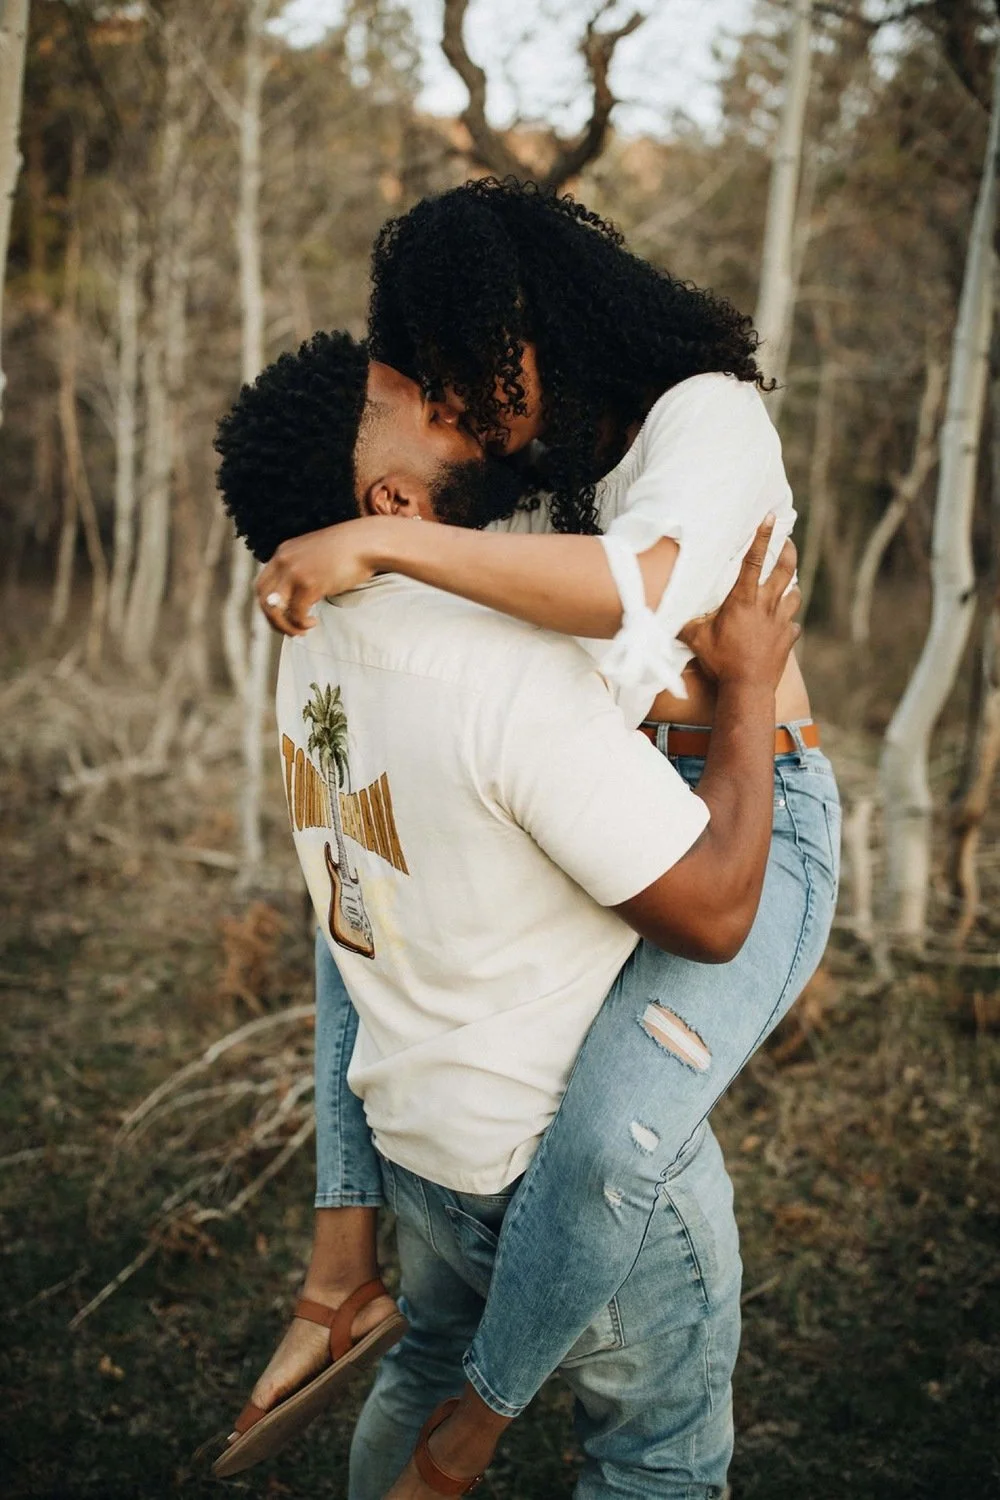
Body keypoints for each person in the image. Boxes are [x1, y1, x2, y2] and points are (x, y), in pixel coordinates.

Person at [238, 181, 840, 1494]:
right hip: (651, 776)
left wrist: (378, 547)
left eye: (473, 381)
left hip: (756, 794)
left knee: (609, 1133)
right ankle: (361, 1298)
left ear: (541, 324)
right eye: (442, 393)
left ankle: (467, 1428)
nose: (478, 422)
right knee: (369, 930)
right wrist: (383, 555)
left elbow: (636, 598)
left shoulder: (706, 418)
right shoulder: (559, 457)